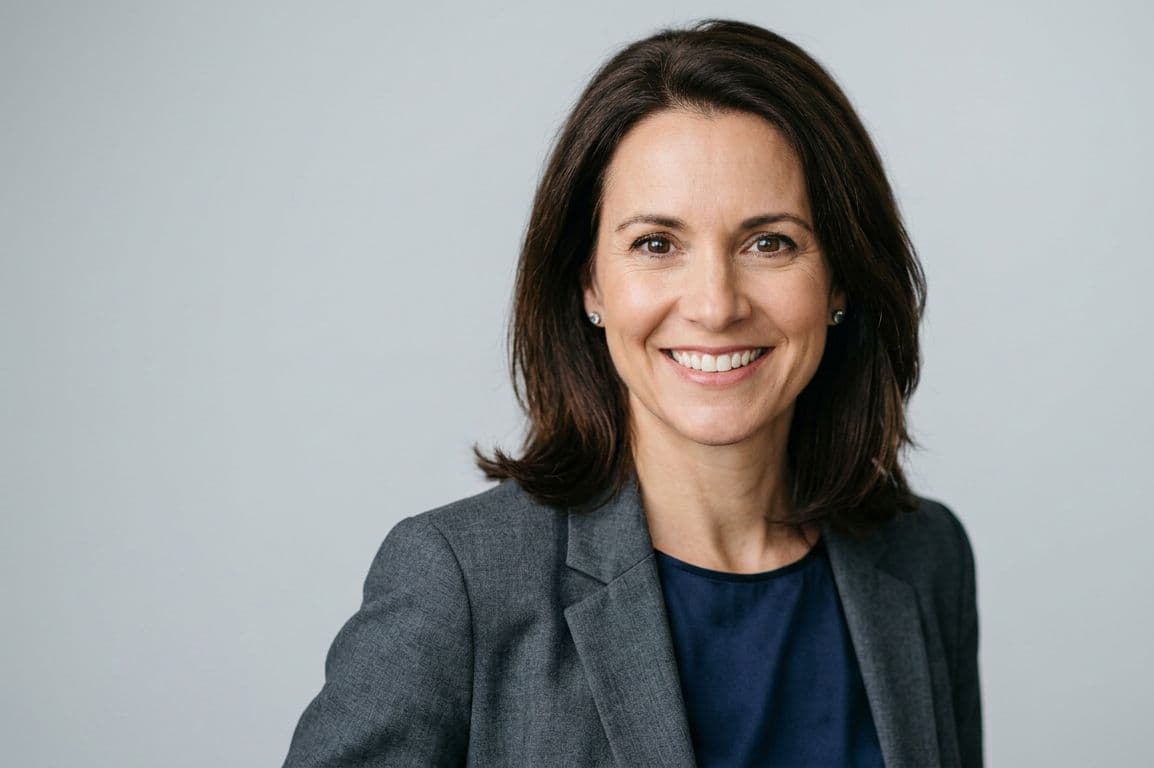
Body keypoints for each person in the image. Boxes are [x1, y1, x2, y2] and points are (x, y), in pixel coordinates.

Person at [283, 18, 981, 768]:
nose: (715, 305)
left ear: (839, 277)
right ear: (590, 282)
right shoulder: (460, 582)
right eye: (657, 244)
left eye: (769, 243)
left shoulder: (922, 557)